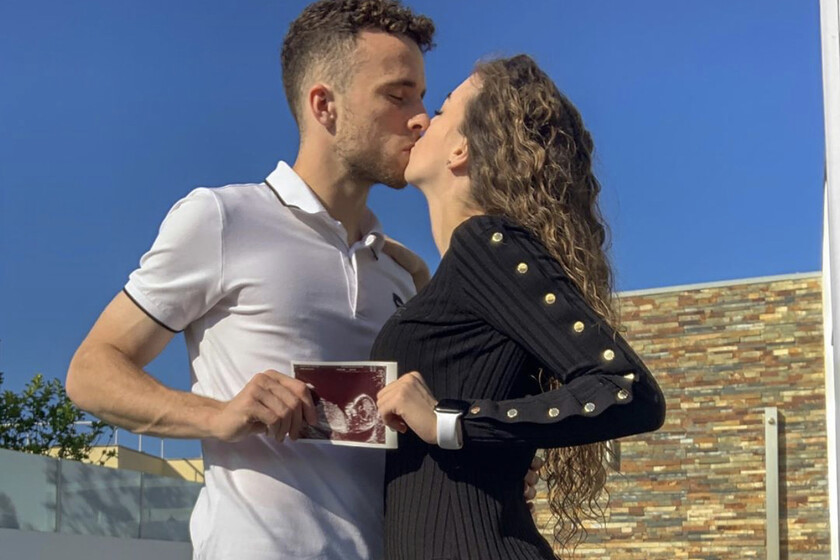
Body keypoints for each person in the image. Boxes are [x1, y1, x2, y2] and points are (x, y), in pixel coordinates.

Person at [65, 2, 541, 558]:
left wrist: (493, 464)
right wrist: (219, 416)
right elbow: (91, 372)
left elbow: (413, 431)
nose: (420, 118)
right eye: (398, 95)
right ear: (324, 105)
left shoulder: (404, 273)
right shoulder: (223, 219)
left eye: (422, 98)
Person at [374, 55, 667, 559]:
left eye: (440, 111)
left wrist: (449, 420)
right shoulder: (464, 269)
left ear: (461, 150)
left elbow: (628, 391)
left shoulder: (485, 242)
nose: (420, 121)